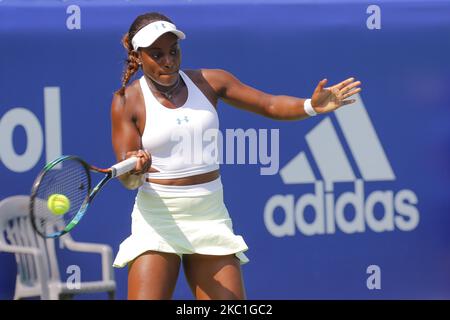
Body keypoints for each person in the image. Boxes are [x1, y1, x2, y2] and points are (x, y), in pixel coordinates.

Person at [110, 12, 361, 300]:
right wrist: (136, 169)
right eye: (157, 54)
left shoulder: (210, 81)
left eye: (173, 51)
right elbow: (128, 179)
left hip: (209, 217)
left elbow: (268, 104)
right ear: (138, 56)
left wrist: (311, 106)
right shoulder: (125, 100)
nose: (169, 60)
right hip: (157, 220)